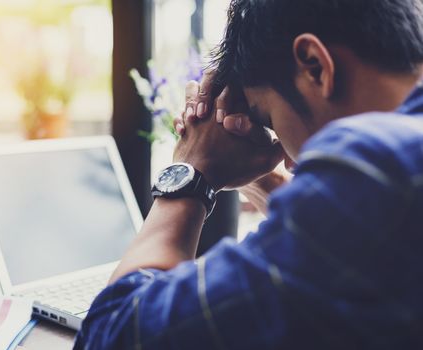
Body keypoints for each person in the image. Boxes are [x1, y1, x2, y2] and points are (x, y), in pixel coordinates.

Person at [74, 0, 423, 348]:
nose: (288, 162)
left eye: (269, 120)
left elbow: (116, 332)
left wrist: (193, 171)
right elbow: (357, 243)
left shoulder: (378, 162)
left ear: (315, 67)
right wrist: (258, 178)